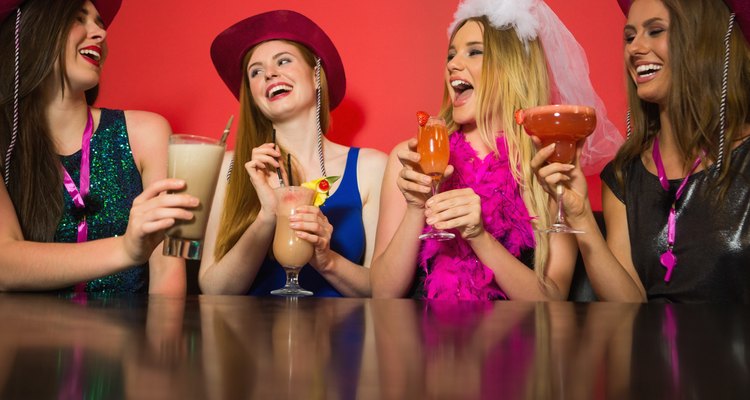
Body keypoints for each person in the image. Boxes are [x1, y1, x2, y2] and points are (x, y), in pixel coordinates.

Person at [370, 0, 622, 301]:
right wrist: (415, 207)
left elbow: (552, 301)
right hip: (429, 344)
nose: (452, 64)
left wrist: (479, 237)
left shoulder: (546, 168)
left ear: (511, 67)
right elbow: (382, 293)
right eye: (451, 54)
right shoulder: (413, 161)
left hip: (516, 345)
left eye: (474, 51)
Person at [532, 0, 750, 302]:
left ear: (705, 40)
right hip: (648, 348)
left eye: (655, 31)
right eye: (630, 36)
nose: (635, 48)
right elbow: (631, 309)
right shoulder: (623, 175)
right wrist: (581, 217)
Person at [0, 0, 196, 294]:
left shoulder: (146, 133)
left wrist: (160, 341)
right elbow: (5, 265)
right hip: (32, 337)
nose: (101, 35)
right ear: (31, 32)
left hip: (128, 337)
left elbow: (168, 270)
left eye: (101, 24)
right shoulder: (6, 141)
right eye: (79, 19)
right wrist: (126, 249)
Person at [199, 10, 387, 297]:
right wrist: (267, 216)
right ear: (251, 95)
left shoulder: (371, 167)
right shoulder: (230, 167)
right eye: (256, 72)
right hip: (252, 340)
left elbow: (381, 289)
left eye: (283, 61)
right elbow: (214, 289)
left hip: (340, 340)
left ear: (315, 75)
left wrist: (327, 260)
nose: (270, 74)